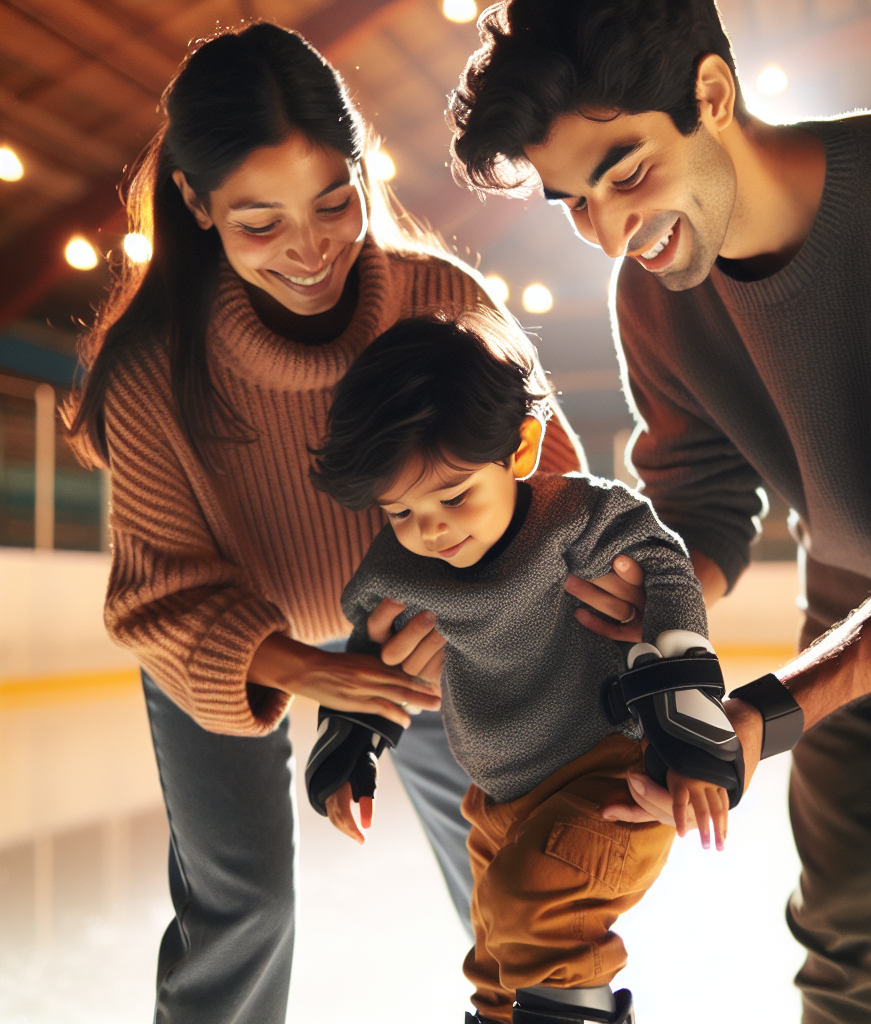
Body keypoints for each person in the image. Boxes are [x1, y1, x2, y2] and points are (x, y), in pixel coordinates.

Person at [445, 3, 871, 1024]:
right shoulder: (655, 296)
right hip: (855, 595)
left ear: (711, 96)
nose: (611, 230)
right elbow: (705, 505)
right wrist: (650, 602)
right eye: (574, 201)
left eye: (624, 173)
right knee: (840, 924)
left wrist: (766, 711)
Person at [64, 22, 593, 1024]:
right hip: (228, 636)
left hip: (419, 611)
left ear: (363, 170)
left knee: (514, 867)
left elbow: (557, 493)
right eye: (258, 223)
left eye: (334, 203)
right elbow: (157, 596)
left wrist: (476, 608)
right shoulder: (149, 371)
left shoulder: (443, 303)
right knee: (242, 905)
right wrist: (306, 670)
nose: (309, 251)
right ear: (196, 202)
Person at [305, 309, 727, 1024]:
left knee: (537, 911)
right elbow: (369, 648)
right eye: (400, 512)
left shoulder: (576, 520)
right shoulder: (398, 566)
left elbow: (666, 567)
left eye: (453, 495)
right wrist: (349, 740)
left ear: (521, 448)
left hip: (611, 773)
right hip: (497, 800)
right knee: (497, 955)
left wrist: (689, 720)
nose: (430, 529)